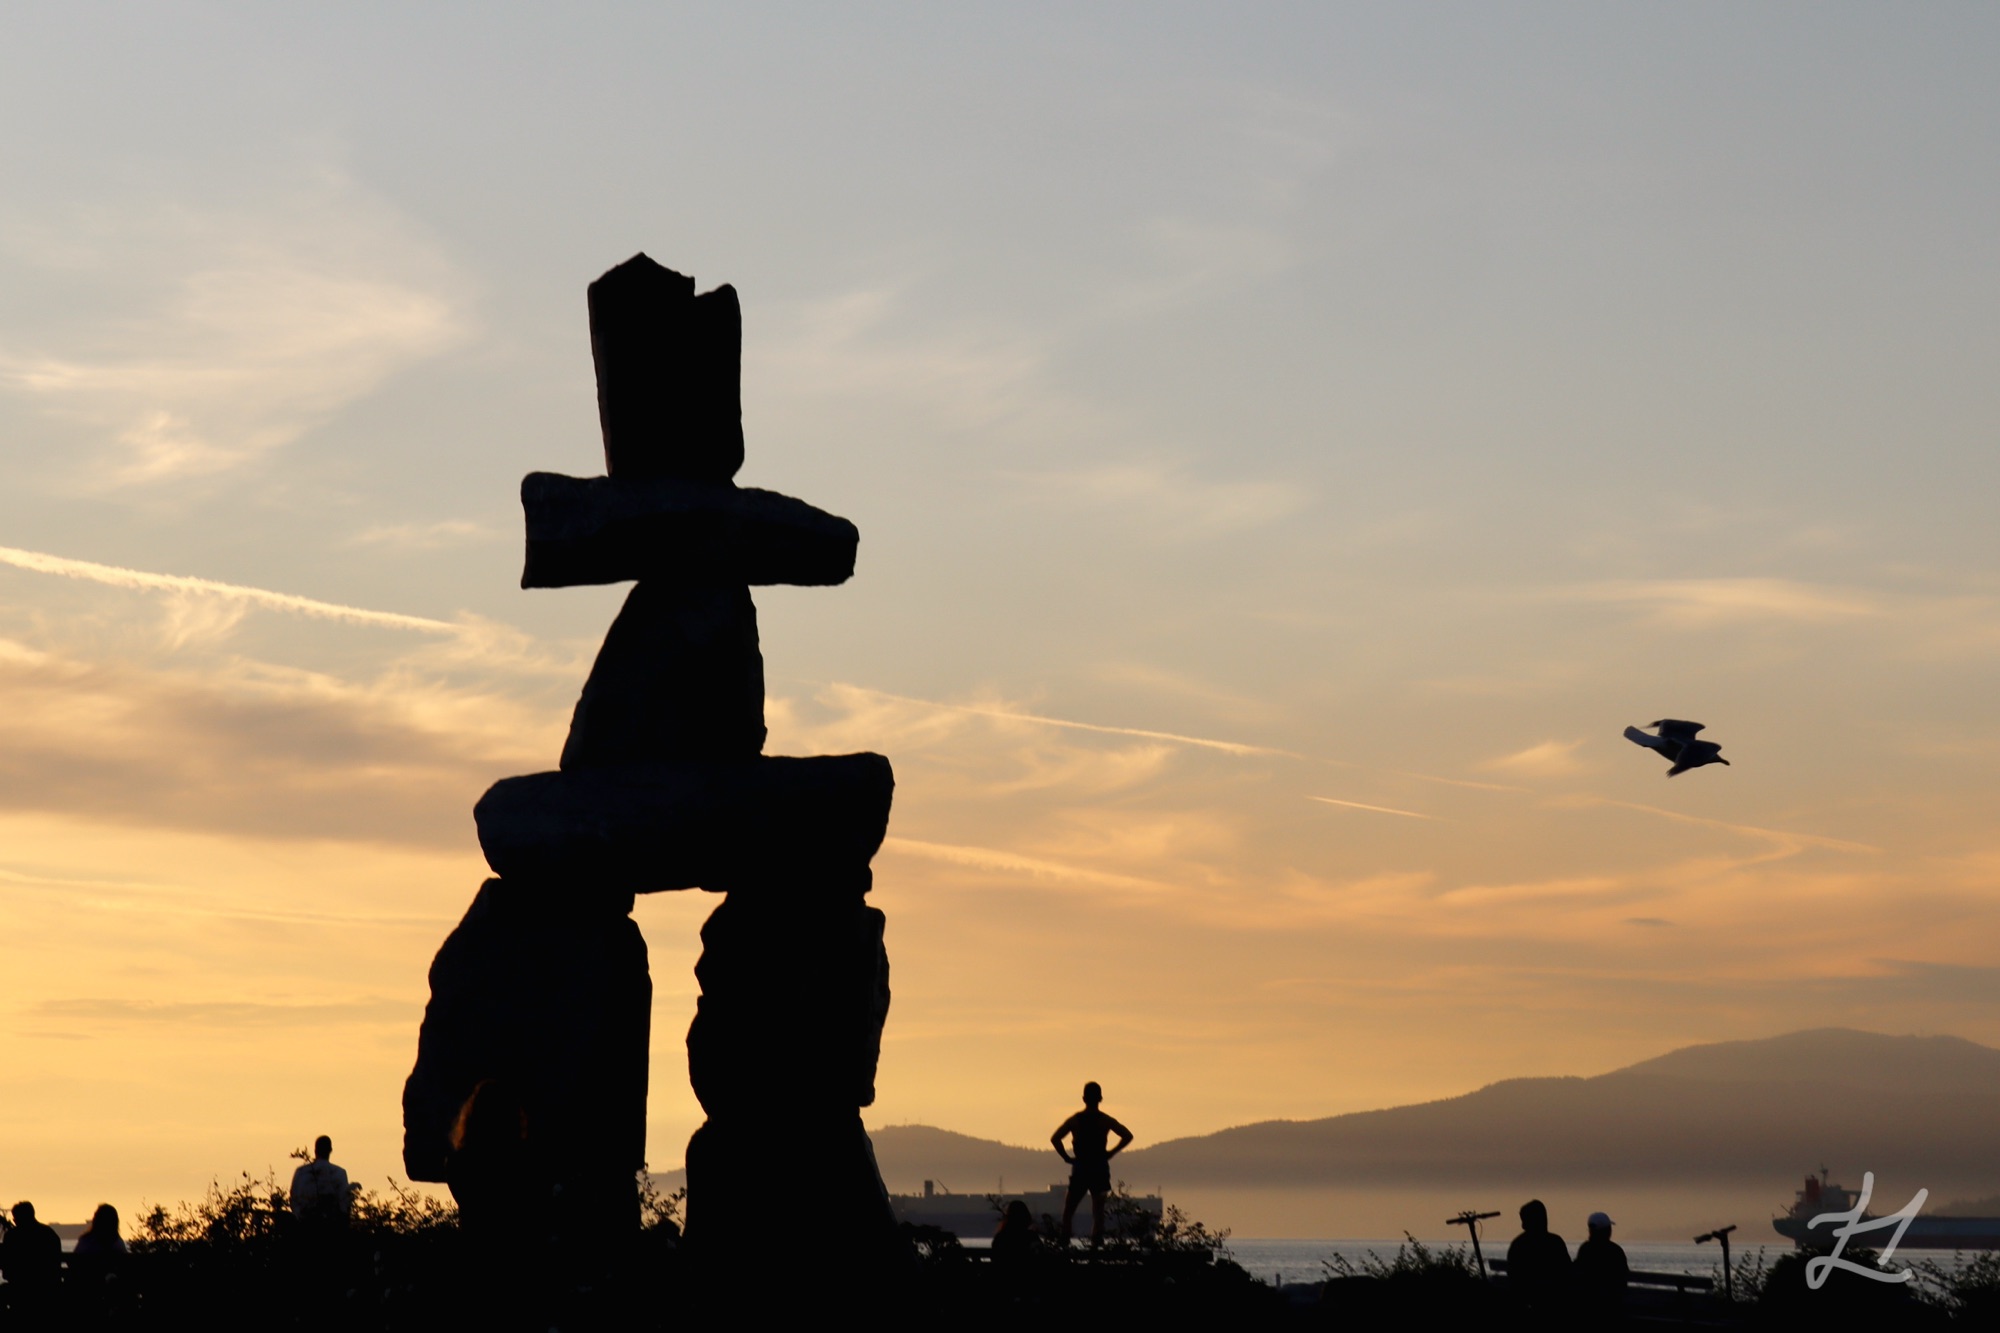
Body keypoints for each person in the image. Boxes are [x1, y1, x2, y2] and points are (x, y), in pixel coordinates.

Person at [1049, 1081, 1133, 1244]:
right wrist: (1111, 1153)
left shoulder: (1075, 1120)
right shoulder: (1105, 1120)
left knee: (1069, 1211)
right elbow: (1127, 1135)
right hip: (1099, 1167)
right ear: (1100, 1098)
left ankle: (1065, 1245)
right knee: (1098, 1211)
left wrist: (1066, 1157)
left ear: (1083, 1098)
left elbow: (1055, 1138)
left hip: (1081, 1167)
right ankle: (1095, 1247)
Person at [1505, 1198, 1572, 1319]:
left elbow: (1514, 1278)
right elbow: (1567, 1273)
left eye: (1524, 1220)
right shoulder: (1555, 1242)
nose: (1522, 1225)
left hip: (1527, 1302)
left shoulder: (1518, 1244)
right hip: (1553, 1303)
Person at [0, 1201, 63, 1315]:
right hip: (48, 1288)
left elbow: (7, 1272)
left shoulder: (13, 1236)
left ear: (18, 1218)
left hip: (21, 1289)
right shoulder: (48, 1233)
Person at [1573, 1211, 1629, 1319]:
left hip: (1587, 1306)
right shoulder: (1616, 1251)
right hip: (1611, 1307)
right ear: (1607, 1231)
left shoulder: (1585, 1249)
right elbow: (1623, 1280)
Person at [290, 1135, 353, 1227]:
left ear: (315, 1150)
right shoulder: (339, 1173)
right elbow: (343, 1203)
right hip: (331, 1226)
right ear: (330, 1150)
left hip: (305, 1225)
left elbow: (294, 1199)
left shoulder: (301, 1172)